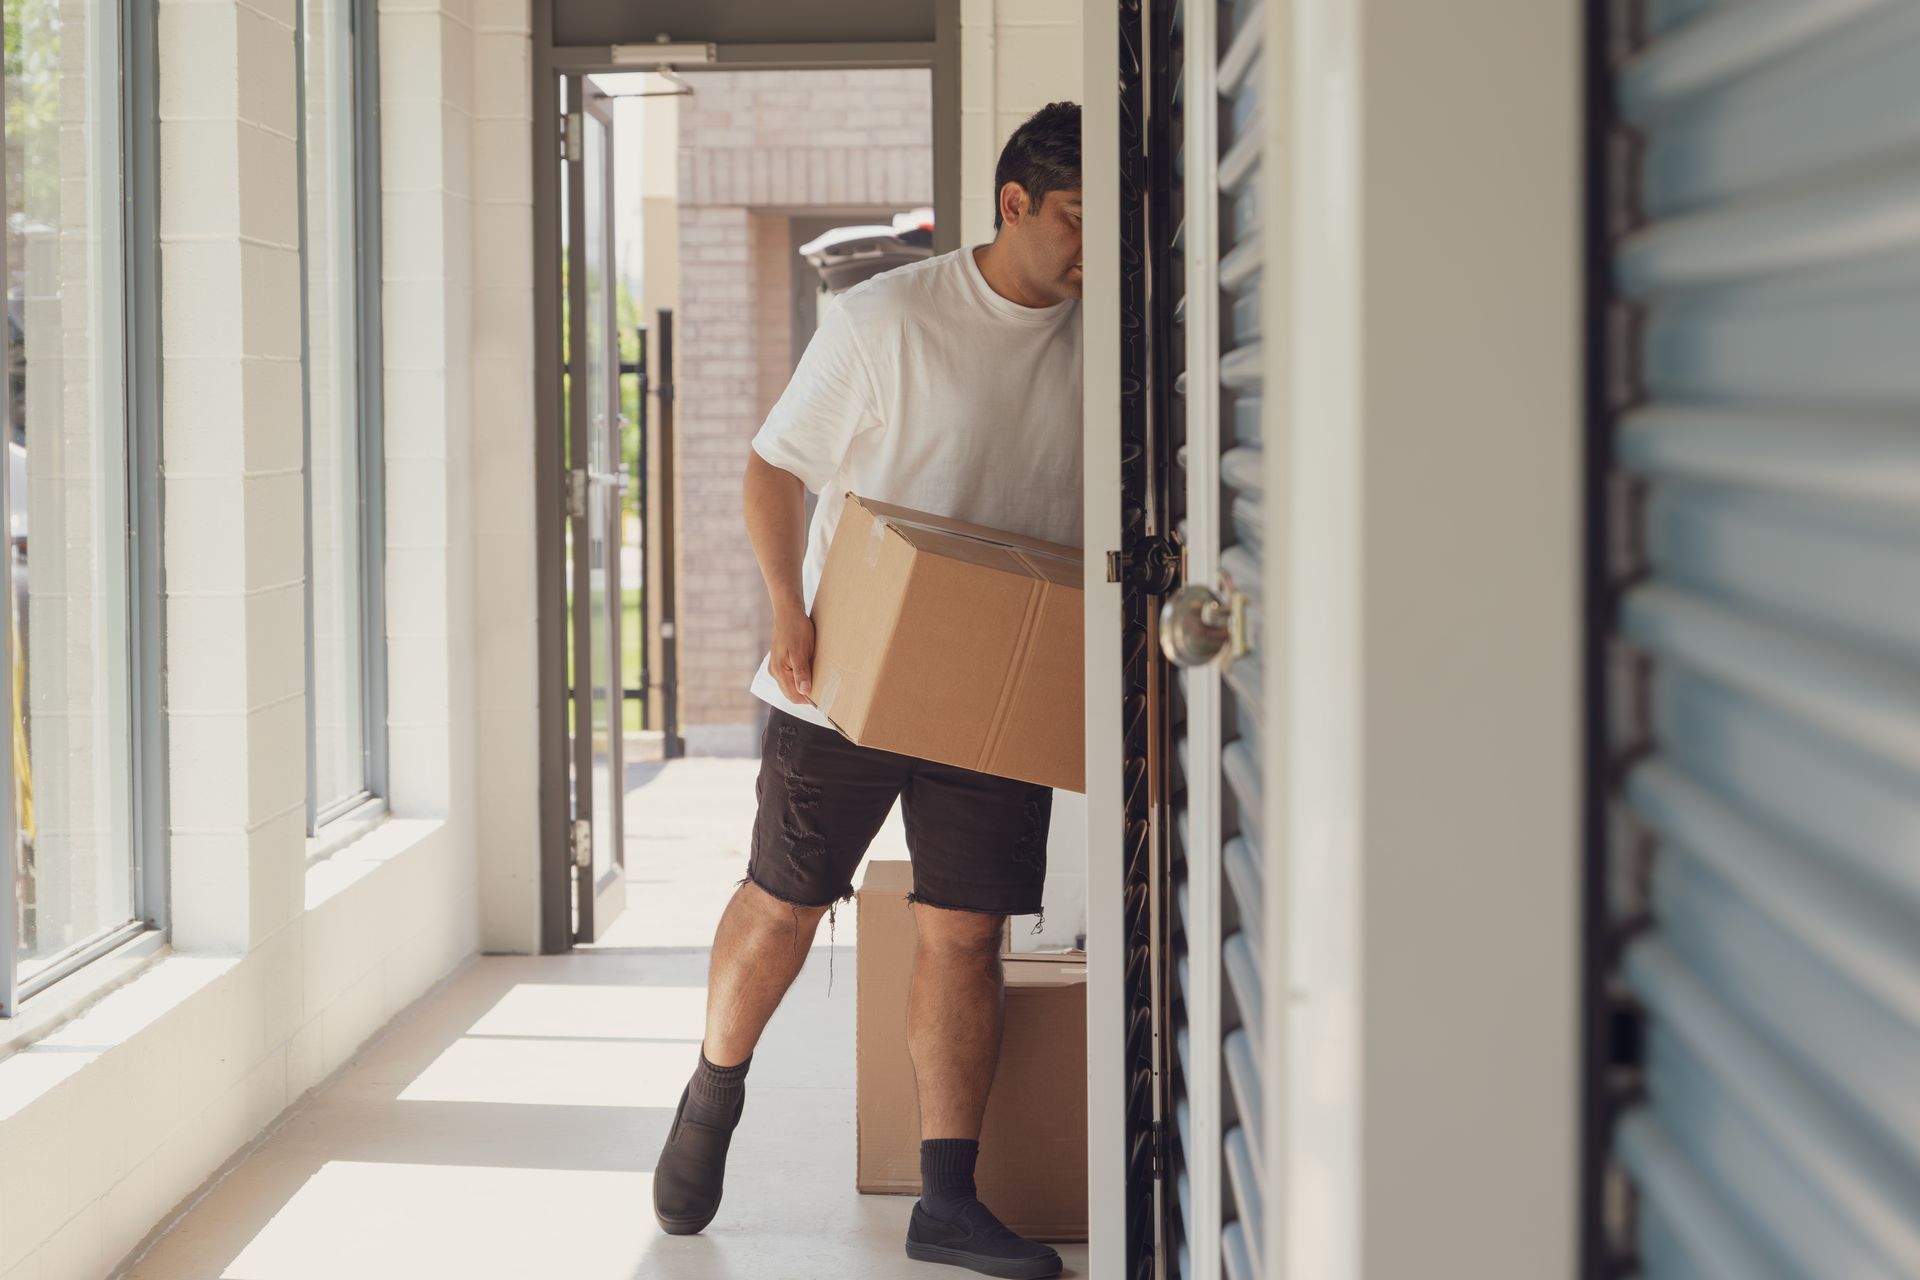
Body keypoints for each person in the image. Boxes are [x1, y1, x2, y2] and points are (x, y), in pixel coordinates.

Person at [651, 103, 1084, 1279]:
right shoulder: (889, 316)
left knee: (965, 934)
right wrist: (789, 611)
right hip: (844, 674)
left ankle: (946, 1200)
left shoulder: (1113, 343)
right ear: (1015, 204)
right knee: (784, 904)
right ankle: (713, 1092)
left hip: (996, 676)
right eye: (1075, 221)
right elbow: (771, 467)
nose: (1090, 251)